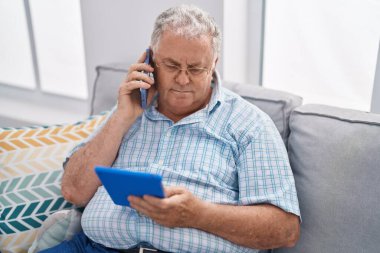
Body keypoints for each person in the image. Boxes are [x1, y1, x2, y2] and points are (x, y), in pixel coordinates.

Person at [41, 4, 300, 253]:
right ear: (151, 60)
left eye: (196, 68)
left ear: (214, 64)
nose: (183, 79)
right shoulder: (128, 108)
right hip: (94, 248)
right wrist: (122, 117)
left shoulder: (251, 124)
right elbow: (73, 190)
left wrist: (199, 214)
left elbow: (285, 230)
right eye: (172, 65)